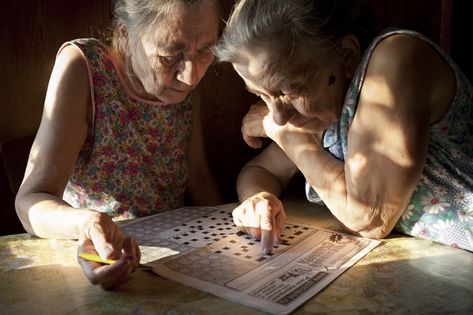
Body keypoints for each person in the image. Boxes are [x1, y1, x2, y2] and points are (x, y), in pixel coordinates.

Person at [215, 0, 473, 254]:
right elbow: (260, 169)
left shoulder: (395, 58)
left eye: (289, 91)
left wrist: (285, 137)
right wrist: (258, 199)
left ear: (347, 55)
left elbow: (368, 218)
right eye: (262, 95)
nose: (279, 115)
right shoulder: (322, 112)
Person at [15, 0, 224, 289]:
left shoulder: (181, 79)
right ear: (125, 33)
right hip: (93, 253)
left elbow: (198, 178)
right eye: (169, 54)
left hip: (173, 258)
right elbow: (30, 201)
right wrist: (87, 224)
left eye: (205, 50)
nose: (191, 75)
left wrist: (235, 231)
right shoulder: (84, 67)